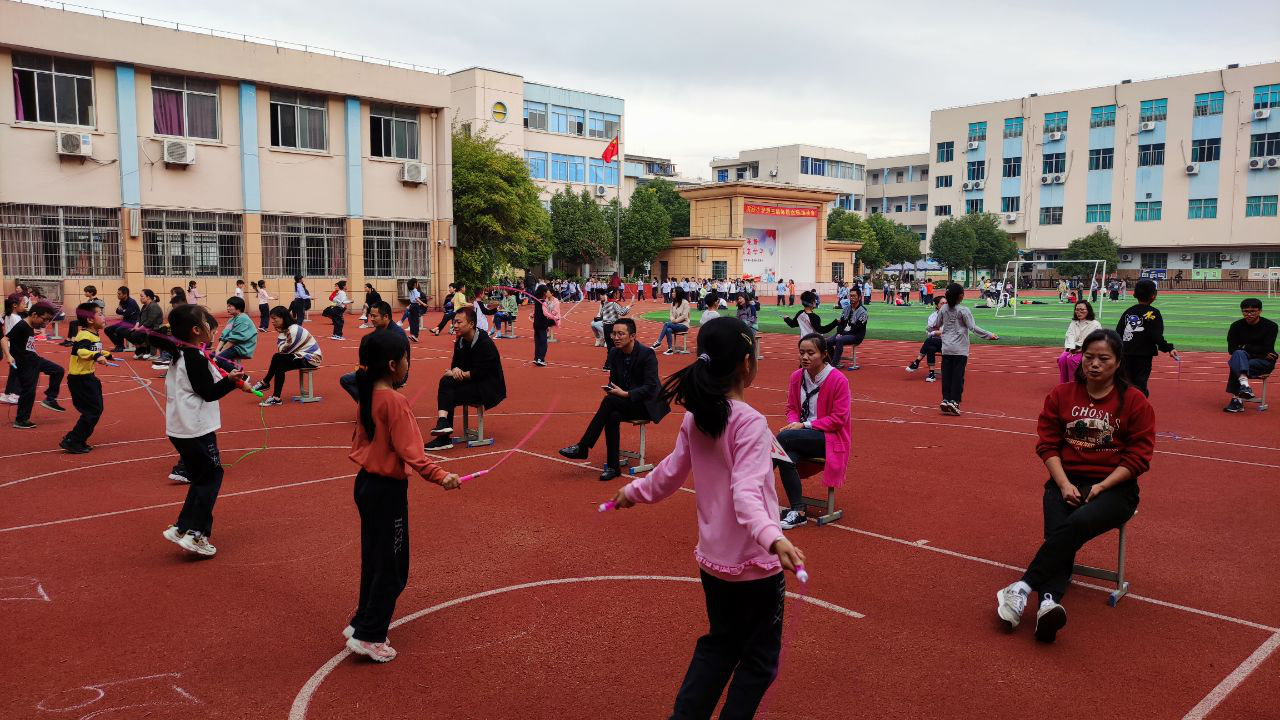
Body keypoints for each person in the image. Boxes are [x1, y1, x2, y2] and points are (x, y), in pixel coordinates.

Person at [608, 316, 805, 717]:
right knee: (759, 661)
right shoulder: (748, 422)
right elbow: (746, 493)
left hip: (715, 565)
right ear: (746, 365)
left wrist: (632, 491)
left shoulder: (697, 417)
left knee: (721, 645)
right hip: (755, 567)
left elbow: (665, 476)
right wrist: (774, 537)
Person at [995, 329, 1154, 644]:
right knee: (1060, 534)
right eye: (1089, 357)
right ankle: (1048, 603)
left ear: (1118, 362)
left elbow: (1139, 456)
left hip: (1115, 488)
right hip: (1064, 480)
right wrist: (1064, 483)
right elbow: (1048, 446)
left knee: (1074, 523)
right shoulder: (1061, 394)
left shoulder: (1135, 401)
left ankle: (1022, 587)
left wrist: (1103, 486)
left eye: (1103, 358)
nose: (1094, 364)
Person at [343, 329, 461, 662]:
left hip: (366, 485)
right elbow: (414, 453)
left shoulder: (367, 394)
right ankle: (370, 634)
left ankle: (362, 621)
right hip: (386, 491)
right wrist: (443, 476)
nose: (409, 363)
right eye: (407, 358)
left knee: (374, 557)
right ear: (394, 364)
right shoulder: (395, 401)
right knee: (393, 566)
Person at [154, 304, 250, 557]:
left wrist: (231, 380)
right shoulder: (192, 357)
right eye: (208, 325)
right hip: (195, 428)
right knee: (211, 477)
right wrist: (231, 383)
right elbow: (207, 393)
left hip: (181, 427)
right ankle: (197, 534)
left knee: (200, 478)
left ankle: (183, 527)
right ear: (196, 330)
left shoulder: (182, 352)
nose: (212, 329)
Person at [559, 318, 669, 481]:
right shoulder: (614, 353)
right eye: (614, 333)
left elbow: (651, 387)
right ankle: (613, 467)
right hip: (625, 402)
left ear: (632, 336)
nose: (616, 337)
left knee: (609, 403)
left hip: (646, 404)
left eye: (621, 334)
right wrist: (613, 389)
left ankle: (583, 447)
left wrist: (625, 394)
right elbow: (614, 380)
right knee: (611, 414)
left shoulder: (647, 354)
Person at [773, 333, 851, 530]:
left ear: (824, 354)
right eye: (801, 353)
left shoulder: (838, 380)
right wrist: (793, 423)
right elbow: (791, 408)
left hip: (830, 439)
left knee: (783, 438)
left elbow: (838, 419)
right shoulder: (796, 377)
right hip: (799, 437)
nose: (805, 357)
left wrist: (803, 426)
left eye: (810, 353)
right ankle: (798, 511)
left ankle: (751, 485)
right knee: (786, 456)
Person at [423, 307, 506, 451]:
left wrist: (459, 373)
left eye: (459, 322)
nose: (454, 325)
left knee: (450, 394)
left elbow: (481, 372)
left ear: (471, 324)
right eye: (454, 322)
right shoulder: (460, 341)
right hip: (472, 381)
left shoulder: (484, 343)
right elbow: (455, 364)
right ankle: (443, 423)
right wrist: (455, 370)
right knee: (445, 381)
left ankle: (443, 439)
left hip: (488, 387)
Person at [928, 283, 999, 416]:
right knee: (958, 377)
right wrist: (989, 335)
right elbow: (973, 327)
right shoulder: (963, 310)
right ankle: (954, 401)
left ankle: (946, 399)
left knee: (947, 375)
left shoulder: (943, 309)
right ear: (961, 296)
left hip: (947, 347)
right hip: (960, 349)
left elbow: (936, 324)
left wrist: (930, 328)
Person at [59, 303, 114, 454]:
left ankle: (78, 440)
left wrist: (106, 354)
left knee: (94, 410)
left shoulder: (93, 334)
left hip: (88, 377)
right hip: (80, 380)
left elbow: (92, 349)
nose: (104, 317)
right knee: (93, 410)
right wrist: (96, 356)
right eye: (100, 314)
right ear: (90, 320)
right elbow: (81, 351)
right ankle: (73, 440)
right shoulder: (83, 335)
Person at [4, 302, 65, 428]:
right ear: (34, 315)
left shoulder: (30, 325)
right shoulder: (22, 325)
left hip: (34, 359)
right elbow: (4, 339)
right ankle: (21, 420)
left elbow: (25, 342)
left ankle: (50, 398)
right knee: (29, 391)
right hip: (25, 363)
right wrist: (9, 356)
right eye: (44, 319)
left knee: (58, 370)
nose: (45, 322)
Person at [1115, 279, 1178, 397]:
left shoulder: (1129, 311)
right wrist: (1169, 348)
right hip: (1143, 356)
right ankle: (1137, 409)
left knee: (1125, 383)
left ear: (1135, 294)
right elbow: (1156, 336)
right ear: (1153, 296)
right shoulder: (1154, 313)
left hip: (1125, 353)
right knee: (1140, 384)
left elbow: (1118, 332)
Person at [253, 306, 323, 407]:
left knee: (278, 358)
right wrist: (281, 331)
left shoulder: (293, 330)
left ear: (283, 318)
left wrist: (281, 333)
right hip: (301, 356)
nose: (272, 321)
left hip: (312, 359)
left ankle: (265, 383)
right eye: (271, 319)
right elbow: (282, 350)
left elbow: (284, 351)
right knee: (279, 363)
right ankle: (276, 397)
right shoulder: (286, 330)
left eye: (275, 318)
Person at [340, 302, 405, 401]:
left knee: (349, 380)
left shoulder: (396, 334)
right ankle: (369, 403)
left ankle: (369, 403)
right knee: (353, 376)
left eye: (375, 316)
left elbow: (400, 361)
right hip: (379, 369)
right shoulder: (379, 330)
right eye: (371, 316)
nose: (372, 319)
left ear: (386, 316)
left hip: (392, 371)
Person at [1223, 298, 1278, 413]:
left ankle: (1237, 399)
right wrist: (1259, 352)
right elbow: (1231, 349)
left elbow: (1267, 348)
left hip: (1264, 362)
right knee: (1238, 354)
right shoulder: (1236, 326)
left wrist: (1244, 347)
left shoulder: (1271, 326)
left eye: (1253, 311)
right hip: (1256, 357)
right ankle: (1244, 385)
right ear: (1242, 311)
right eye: (1245, 311)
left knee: (1237, 362)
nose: (1249, 314)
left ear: (1260, 311)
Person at [1058, 301, 1101, 384]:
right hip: (1073, 347)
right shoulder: (1074, 322)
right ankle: (1064, 383)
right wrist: (1071, 347)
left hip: (1087, 350)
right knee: (1062, 359)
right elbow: (1069, 335)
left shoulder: (1095, 324)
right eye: (1077, 310)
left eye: (1082, 309)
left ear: (1088, 310)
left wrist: (1081, 349)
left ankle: (1075, 383)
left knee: (1072, 360)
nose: (1079, 312)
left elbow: (1093, 341)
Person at [906, 295, 946, 382]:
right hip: (936, 342)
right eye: (942, 303)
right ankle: (931, 373)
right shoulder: (932, 316)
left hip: (947, 343)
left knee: (929, 341)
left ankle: (917, 362)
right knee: (930, 347)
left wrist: (935, 332)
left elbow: (945, 332)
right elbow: (929, 332)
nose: (944, 305)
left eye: (946, 303)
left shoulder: (950, 315)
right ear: (937, 305)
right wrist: (936, 332)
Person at [214, 296, 258, 373]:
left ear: (238, 308)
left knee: (218, 359)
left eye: (230, 306)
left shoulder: (243, 318)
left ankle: (241, 376)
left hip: (241, 347)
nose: (227, 308)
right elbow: (224, 336)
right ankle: (231, 376)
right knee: (211, 357)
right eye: (227, 306)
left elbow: (234, 339)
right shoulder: (232, 319)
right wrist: (217, 350)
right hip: (233, 346)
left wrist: (220, 353)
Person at [828, 292, 868, 370]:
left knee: (839, 339)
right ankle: (834, 360)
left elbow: (857, 328)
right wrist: (839, 332)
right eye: (851, 296)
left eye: (854, 296)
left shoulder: (863, 312)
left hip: (856, 335)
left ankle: (833, 365)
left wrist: (842, 334)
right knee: (828, 341)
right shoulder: (846, 309)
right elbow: (841, 323)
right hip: (843, 333)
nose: (852, 297)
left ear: (859, 297)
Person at [653, 287, 692, 355]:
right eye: (672, 292)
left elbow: (684, 316)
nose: (672, 293)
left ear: (678, 293)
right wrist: (673, 320)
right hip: (674, 324)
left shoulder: (685, 303)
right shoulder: (673, 303)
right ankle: (670, 349)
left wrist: (675, 321)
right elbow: (671, 314)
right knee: (668, 329)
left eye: (674, 292)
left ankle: (658, 342)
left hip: (684, 325)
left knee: (666, 324)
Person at [0, 298, 23, 403]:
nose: (24, 305)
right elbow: (19, 333)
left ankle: (8, 393)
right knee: (20, 370)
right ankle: (16, 394)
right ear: (14, 305)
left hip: (10, 346)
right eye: (21, 303)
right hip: (17, 346)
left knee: (13, 370)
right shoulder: (16, 317)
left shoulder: (7, 316)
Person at [105, 286, 140, 352]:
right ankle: (118, 345)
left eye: (119, 294)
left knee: (119, 330)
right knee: (107, 329)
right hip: (125, 322)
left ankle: (120, 347)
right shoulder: (121, 301)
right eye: (117, 293)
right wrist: (123, 311)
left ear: (125, 294)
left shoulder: (131, 302)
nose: (117, 295)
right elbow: (117, 311)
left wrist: (123, 311)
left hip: (133, 322)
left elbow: (126, 313)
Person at [132, 289, 164, 360]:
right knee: (130, 333)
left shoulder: (153, 306)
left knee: (139, 334)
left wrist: (139, 329)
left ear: (148, 297)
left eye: (142, 296)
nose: (140, 298)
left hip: (155, 328)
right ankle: (143, 350)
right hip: (146, 327)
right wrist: (136, 325)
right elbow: (139, 318)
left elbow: (150, 321)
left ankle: (152, 353)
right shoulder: (144, 306)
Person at [531, 285, 555, 367]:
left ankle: (536, 357)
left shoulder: (537, 301)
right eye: (547, 291)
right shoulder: (543, 302)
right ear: (544, 292)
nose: (549, 292)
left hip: (536, 324)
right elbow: (547, 313)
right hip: (542, 324)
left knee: (538, 342)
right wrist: (555, 318)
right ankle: (541, 359)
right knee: (543, 342)